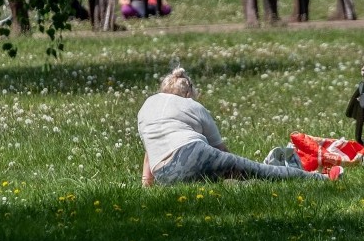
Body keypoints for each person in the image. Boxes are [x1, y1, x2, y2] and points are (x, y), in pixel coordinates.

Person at [137, 67, 343, 185]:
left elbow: (149, 151)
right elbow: (221, 149)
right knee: (258, 171)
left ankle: (242, 181)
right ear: (188, 92)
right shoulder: (192, 105)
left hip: (164, 175)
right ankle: (319, 178)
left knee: (221, 180)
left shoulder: (147, 106)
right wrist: (237, 164)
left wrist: (146, 185)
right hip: (192, 153)